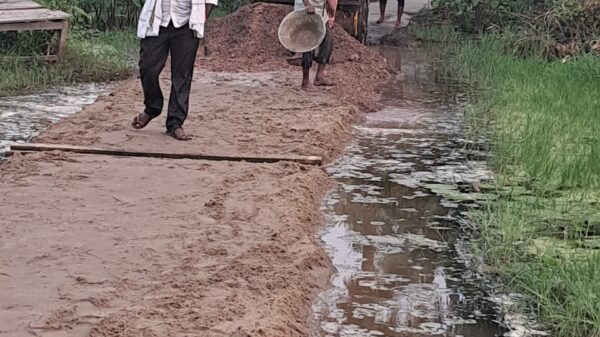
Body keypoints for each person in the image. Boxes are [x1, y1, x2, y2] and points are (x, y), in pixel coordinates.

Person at [132, 0, 217, 141]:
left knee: (182, 76)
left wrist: (200, 19)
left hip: (186, 25)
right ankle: (152, 107)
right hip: (157, 21)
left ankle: (174, 123)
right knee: (147, 67)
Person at [296, 0, 338, 90]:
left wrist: (331, 10)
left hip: (321, 10)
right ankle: (305, 81)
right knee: (309, 43)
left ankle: (319, 76)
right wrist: (307, 4)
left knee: (328, 39)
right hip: (308, 9)